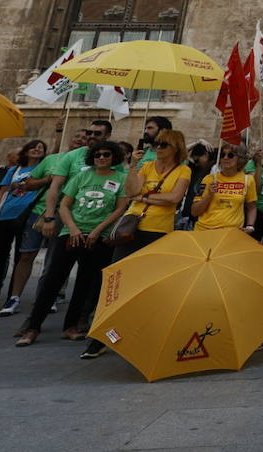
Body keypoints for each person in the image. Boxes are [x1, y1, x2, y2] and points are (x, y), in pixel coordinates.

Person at [79, 128, 191, 360]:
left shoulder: (183, 170)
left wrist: (143, 197)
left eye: (163, 144)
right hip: (131, 230)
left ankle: (141, 335)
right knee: (116, 283)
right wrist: (132, 167)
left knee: (149, 287)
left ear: (175, 148)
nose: (157, 148)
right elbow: (130, 191)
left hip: (158, 232)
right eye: (156, 143)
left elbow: (174, 199)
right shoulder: (146, 167)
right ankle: (103, 337)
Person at [15, 140, 130, 346]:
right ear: (91, 157)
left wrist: (97, 231)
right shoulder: (81, 176)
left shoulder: (121, 178)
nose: (101, 158)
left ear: (114, 157)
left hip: (98, 236)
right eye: (97, 155)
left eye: (106, 155)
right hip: (71, 232)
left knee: (85, 283)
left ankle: (71, 326)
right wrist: (74, 229)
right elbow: (65, 205)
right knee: (53, 280)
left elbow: (120, 209)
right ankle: (33, 327)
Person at [0, 140, 46, 313]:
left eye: (41, 148)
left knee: (20, 257)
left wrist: (59, 132)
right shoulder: (13, 170)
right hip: (6, 215)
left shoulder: (44, 169)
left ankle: (12, 297)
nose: (37, 149)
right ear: (25, 151)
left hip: (27, 217)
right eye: (33, 146)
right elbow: (2, 193)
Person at [193, 144, 257, 233]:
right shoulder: (209, 179)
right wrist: (209, 195)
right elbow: (195, 211)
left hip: (231, 234)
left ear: (240, 159)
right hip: (205, 231)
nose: (225, 158)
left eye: (231, 155)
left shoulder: (248, 180)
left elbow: (252, 207)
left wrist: (250, 227)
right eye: (223, 155)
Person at [176, 141, 215, 229]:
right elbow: (178, 153)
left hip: (200, 218)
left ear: (206, 155)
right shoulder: (193, 168)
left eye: (197, 160)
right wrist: (198, 142)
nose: (196, 163)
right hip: (185, 216)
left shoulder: (214, 170)